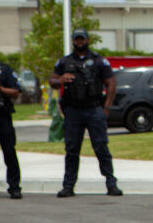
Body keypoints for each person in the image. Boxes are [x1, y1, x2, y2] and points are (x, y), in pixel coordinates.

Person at [50, 28, 122, 197]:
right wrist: (60, 80)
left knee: (101, 147)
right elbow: (52, 80)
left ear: (88, 40)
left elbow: (111, 84)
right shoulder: (64, 62)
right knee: (72, 150)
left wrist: (106, 108)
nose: (79, 41)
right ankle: (68, 186)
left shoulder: (98, 61)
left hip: (94, 109)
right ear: (73, 41)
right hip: (73, 111)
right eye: (77, 39)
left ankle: (111, 184)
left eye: (82, 39)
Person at [0, 60, 23, 199]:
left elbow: (16, 92)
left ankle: (14, 186)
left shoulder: (5, 70)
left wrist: (1, 89)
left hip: (2, 116)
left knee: (9, 151)